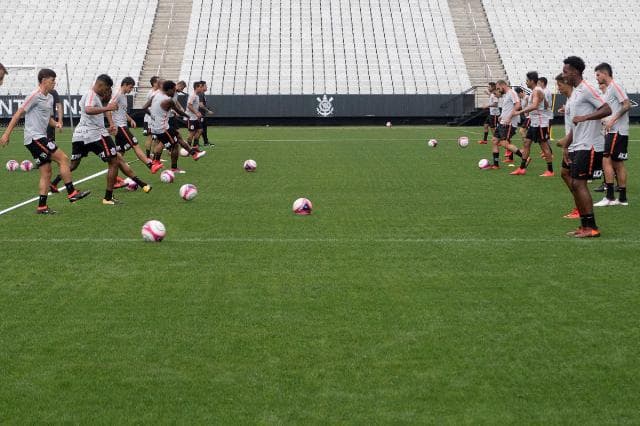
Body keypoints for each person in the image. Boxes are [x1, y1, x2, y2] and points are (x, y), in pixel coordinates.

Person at [0, 68, 89, 214]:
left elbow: (47, 119)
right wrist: (6, 134)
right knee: (63, 159)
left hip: (39, 137)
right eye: (52, 80)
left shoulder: (50, 98)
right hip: (34, 138)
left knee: (46, 172)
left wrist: (57, 124)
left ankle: (41, 207)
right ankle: (72, 193)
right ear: (43, 81)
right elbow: (18, 113)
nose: (55, 83)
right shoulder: (34, 95)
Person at [56, 74, 152, 205]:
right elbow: (89, 109)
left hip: (84, 134)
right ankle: (108, 197)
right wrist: (108, 109)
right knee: (114, 161)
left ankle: (54, 183)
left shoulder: (95, 96)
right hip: (95, 135)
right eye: (106, 89)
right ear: (101, 85)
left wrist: (109, 126)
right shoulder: (91, 95)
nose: (107, 92)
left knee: (74, 164)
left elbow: (97, 113)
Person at [561, 56, 611, 238]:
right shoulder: (575, 93)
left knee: (579, 183)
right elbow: (575, 125)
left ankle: (592, 227)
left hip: (590, 145)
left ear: (575, 71)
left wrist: (585, 118)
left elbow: (607, 109)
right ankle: (584, 225)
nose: (564, 75)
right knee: (574, 182)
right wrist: (567, 146)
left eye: (566, 71)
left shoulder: (587, 89)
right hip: (578, 144)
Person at [144, 80, 206, 174]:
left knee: (178, 137)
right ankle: (172, 167)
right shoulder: (168, 100)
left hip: (157, 127)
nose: (174, 92)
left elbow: (144, 107)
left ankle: (194, 154)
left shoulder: (155, 95)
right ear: (168, 90)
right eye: (173, 90)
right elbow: (179, 111)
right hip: (163, 128)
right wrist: (188, 116)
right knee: (175, 146)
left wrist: (153, 116)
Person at [593, 62, 631, 207]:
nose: (597, 78)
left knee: (606, 160)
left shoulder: (615, 86)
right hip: (614, 130)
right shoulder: (609, 90)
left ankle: (609, 197)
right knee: (617, 163)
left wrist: (612, 120)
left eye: (598, 75)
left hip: (616, 130)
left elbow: (627, 105)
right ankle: (622, 199)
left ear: (605, 73)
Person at [510, 72, 554, 176]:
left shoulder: (537, 91)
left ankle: (550, 170)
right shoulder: (537, 91)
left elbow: (534, 105)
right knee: (526, 143)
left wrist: (519, 112)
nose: (526, 82)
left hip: (540, 123)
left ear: (532, 81)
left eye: (527, 80)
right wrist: (544, 107)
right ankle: (522, 168)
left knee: (544, 146)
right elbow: (546, 104)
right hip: (534, 123)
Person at [554, 74, 579, 219]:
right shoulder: (570, 100)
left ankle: (580, 208)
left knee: (577, 180)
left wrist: (564, 142)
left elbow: (578, 125)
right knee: (565, 173)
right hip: (570, 146)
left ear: (567, 83)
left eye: (559, 85)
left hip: (577, 145)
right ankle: (579, 205)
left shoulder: (575, 100)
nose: (558, 88)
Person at [490, 80, 525, 169]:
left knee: (504, 143)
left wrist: (509, 117)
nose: (498, 90)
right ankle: (496, 165)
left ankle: (525, 157)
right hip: (503, 122)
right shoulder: (506, 95)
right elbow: (507, 108)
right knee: (494, 141)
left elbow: (517, 105)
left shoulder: (512, 92)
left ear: (503, 85)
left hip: (509, 123)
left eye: (498, 88)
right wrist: (501, 116)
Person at [143, 76, 161, 158]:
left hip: (148, 117)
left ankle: (149, 156)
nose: (160, 83)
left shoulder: (150, 92)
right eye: (158, 82)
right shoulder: (156, 93)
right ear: (154, 83)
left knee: (150, 137)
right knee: (154, 138)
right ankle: (152, 156)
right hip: (152, 118)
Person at [186, 81, 205, 149]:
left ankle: (195, 147)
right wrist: (196, 113)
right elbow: (189, 105)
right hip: (191, 118)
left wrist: (198, 112)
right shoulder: (193, 95)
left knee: (200, 130)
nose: (202, 88)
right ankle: (188, 148)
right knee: (192, 133)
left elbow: (194, 106)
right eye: (200, 87)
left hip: (195, 117)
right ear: (196, 87)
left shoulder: (197, 96)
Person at [198, 80, 215, 147]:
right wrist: (208, 110)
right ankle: (198, 143)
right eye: (205, 86)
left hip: (202, 114)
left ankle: (205, 142)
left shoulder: (202, 94)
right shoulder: (201, 94)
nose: (207, 87)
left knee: (203, 129)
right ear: (201, 86)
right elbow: (201, 105)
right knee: (201, 129)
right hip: (200, 115)